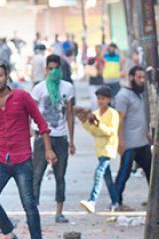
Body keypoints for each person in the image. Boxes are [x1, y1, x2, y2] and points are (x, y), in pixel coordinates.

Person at [0, 61, 54, 239]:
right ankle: (9, 234)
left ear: (7, 76)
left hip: (23, 159)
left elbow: (41, 123)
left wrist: (48, 150)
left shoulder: (22, 97)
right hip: (0, 159)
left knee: (29, 203)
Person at [32, 54, 76, 223]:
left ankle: (59, 212)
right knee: (37, 175)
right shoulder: (39, 88)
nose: (53, 71)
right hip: (42, 137)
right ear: (46, 69)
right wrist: (30, 129)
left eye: (56, 68)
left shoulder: (68, 88)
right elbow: (32, 111)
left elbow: (70, 114)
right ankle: (34, 209)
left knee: (60, 176)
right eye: (50, 68)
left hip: (61, 136)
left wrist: (71, 140)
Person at [112, 66, 152, 211]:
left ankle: (154, 200)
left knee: (151, 171)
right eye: (139, 77)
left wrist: (147, 134)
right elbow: (119, 120)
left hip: (142, 141)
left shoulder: (138, 94)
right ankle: (116, 202)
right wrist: (120, 141)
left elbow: (140, 117)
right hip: (130, 143)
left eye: (143, 78)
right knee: (124, 173)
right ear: (131, 77)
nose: (142, 80)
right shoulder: (123, 96)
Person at [79, 85, 119, 213]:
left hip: (108, 148)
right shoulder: (95, 113)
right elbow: (93, 132)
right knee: (107, 178)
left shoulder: (113, 114)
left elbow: (110, 132)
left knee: (99, 173)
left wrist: (98, 124)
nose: (100, 101)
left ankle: (92, 201)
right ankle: (116, 201)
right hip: (99, 149)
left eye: (103, 98)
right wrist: (85, 122)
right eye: (98, 98)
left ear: (109, 99)